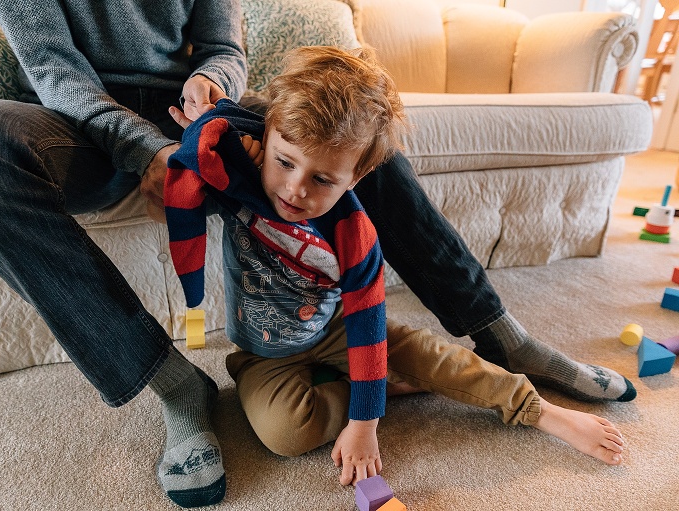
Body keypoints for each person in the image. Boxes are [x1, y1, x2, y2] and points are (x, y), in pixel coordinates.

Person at [0, 0, 632, 507]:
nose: (297, 187)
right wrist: (147, 152)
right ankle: (174, 387)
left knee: (350, 134)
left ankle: (503, 338)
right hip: (84, 120)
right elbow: (55, 73)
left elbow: (224, 46)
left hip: (200, 115)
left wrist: (214, 85)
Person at [161, 45, 626, 487]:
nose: (295, 189)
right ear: (266, 138)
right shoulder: (243, 174)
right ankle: (386, 386)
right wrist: (211, 131)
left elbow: (366, 325)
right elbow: (191, 163)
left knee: (440, 359)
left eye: (322, 179)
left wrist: (365, 423)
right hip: (263, 354)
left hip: (339, 326)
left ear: (357, 177)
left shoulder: (355, 235)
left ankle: (539, 409)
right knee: (285, 435)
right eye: (285, 162)